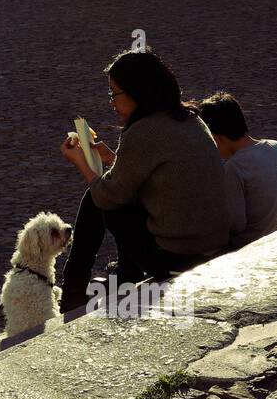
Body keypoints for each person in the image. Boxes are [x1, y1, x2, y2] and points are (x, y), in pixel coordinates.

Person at [59, 51, 230, 314]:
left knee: (97, 199)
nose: (111, 102)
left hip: (176, 257)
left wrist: (81, 162)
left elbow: (109, 195)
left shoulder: (144, 130)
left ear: (138, 91)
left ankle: (73, 292)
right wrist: (111, 158)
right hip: (211, 242)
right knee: (112, 191)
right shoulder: (190, 118)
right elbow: (156, 176)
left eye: (114, 94)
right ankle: (121, 276)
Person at [200, 92, 277, 250]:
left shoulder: (234, 167)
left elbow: (235, 224)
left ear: (218, 138)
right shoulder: (276, 146)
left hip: (251, 243)